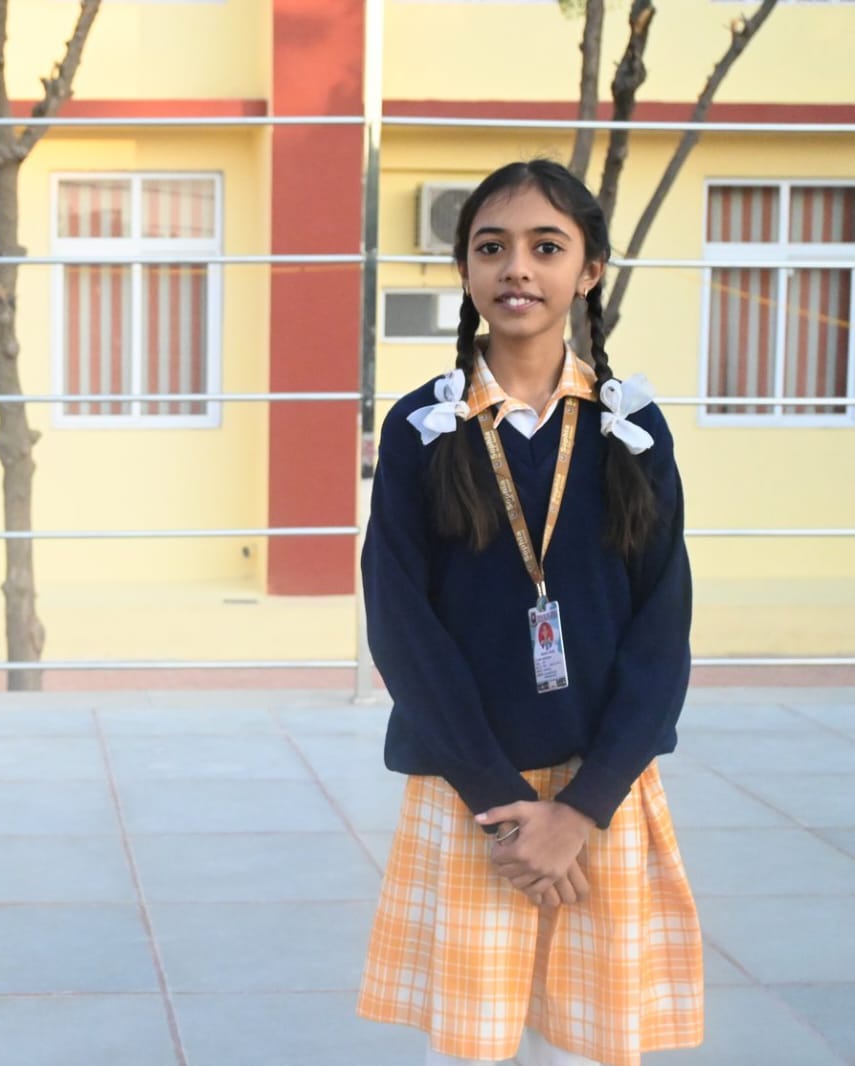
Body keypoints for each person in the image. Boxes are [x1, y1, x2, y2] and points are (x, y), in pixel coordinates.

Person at [355, 159, 702, 1066]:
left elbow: (661, 628)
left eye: (546, 247)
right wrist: (501, 803)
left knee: (591, 1039)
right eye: (491, 247)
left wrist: (581, 809)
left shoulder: (631, 429)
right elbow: (401, 625)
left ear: (588, 271)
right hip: (473, 793)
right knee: (471, 1043)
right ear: (465, 270)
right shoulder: (422, 429)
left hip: (600, 793)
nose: (516, 267)